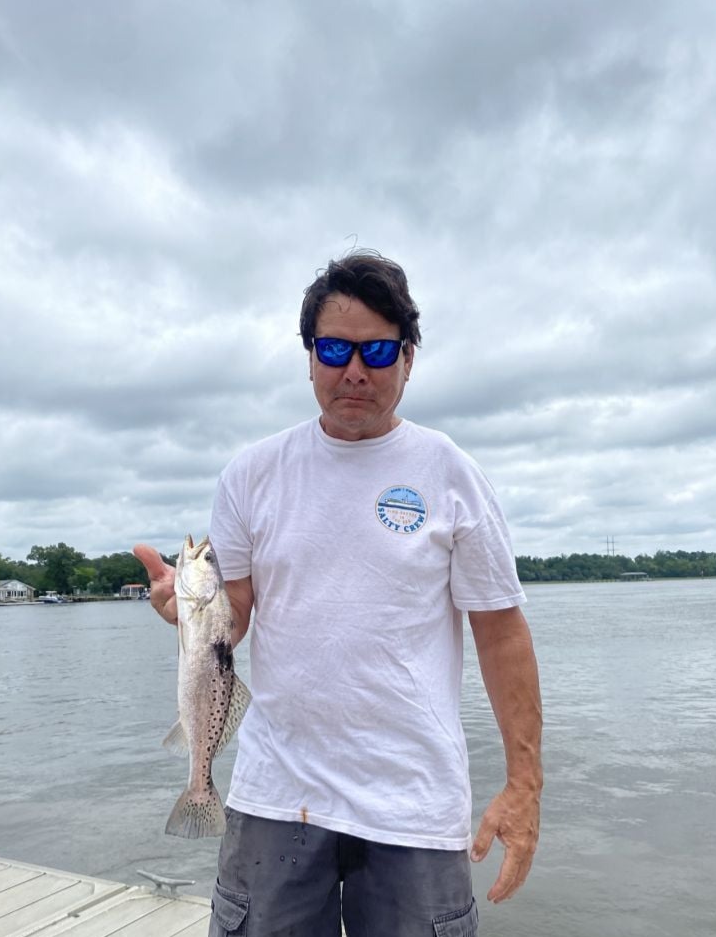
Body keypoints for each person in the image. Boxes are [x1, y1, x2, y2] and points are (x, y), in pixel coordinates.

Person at [134, 250, 542, 937]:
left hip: (414, 804)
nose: (355, 370)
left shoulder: (451, 473)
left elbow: (501, 634)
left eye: (378, 351)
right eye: (334, 349)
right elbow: (235, 614)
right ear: (310, 358)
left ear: (408, 358)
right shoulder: (251, 475)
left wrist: (524, 785)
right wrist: (192, 612)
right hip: (276, 793)